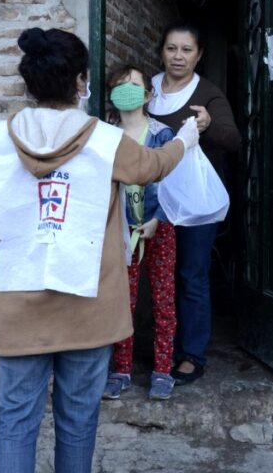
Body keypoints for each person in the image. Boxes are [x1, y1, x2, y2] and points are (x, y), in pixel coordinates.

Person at [0, 28, 198, 473]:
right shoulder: (105, 142)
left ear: (29, 84)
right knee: (77, 422)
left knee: (15, 421)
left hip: (15, 308)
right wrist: (185, 138)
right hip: (87, 305)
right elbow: (154, 166)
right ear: (79, 82)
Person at [148, 23, 241, 386]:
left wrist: (209, 124)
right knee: (153, 277)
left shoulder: (207, 93)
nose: (178, 57)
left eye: (187, 50)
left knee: (190, 275)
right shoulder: (147, 88)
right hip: (153, 197)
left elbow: (233, 140)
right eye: (172, 49)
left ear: (198, 55)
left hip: (194, 202)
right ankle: (158, 349)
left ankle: (191, 354)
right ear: (161, 52)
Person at [102, 64, 178, 401]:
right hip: (121, 233)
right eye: (120, 85)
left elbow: (174, 185)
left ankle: (163, 370)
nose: (127, 91)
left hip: (158, 230)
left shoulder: (162, 135)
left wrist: (158, 220)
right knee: (122, 302)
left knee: (163, 300)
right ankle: (121, 370)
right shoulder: (105, 135)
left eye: (134, 85)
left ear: (148, 95)